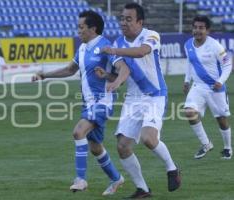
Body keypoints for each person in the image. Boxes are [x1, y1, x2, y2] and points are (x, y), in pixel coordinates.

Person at [32, 10, 130, 196]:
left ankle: (80, 179)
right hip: (88, 103)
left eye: (81, 27)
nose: (78, 30)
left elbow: (123, 68)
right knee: (95, 147)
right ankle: (117, 178)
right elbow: (70, 69)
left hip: (103, 101)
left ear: (92, 28)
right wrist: (44, 75)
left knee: (78, 132)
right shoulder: (83, 48)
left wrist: (117, 81)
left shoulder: (105, 46)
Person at [95, 3, 181, 198]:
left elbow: (142, 52)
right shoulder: (117, 43)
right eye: (121, 18)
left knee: (149, 139)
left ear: (140, 22)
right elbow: (123, 71)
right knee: (122, 146)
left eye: (128, 19)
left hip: (155, 95)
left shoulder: (151, 36)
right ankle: (142, 189)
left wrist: (114, 52)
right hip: (133, 98)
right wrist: (111, 78)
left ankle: (172, 169)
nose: (123, 22)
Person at [183, 15, 232, 159]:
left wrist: (221, 81)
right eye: (195, 27)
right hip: (198, 86)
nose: (197, 30)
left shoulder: (215, 46)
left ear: (208, 30)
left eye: (201, 28)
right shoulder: (188, 44)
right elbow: (190, 62)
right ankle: (206, 143)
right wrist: (187, 80)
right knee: (189, 112)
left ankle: (228, 147)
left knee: (221, 120)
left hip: (215, 88)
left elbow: (228, 64)